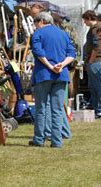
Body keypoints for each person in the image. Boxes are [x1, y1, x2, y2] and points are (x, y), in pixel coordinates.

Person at [29, 12, 75, 148]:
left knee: (41, 108)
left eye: (36, 23)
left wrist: (50, 66)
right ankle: (57, 141)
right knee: (58, 109)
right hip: (61, 75)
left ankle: (39, 139)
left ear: (41, 21)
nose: (36, 26)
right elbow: (72, 54)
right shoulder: (63, 34)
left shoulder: (38, 33)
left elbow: (38, 52)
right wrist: (62, 64)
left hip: (43, 75)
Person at [82, 10, 101, 118]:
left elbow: (96, 46)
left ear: (89, 18)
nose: (84, 23)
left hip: (95, 60)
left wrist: (91, 61)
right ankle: (97, 108)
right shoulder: (97, 28)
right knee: (93, 86)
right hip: (95, 60)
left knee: (98, 86)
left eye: (85, 20)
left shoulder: (95, 29)